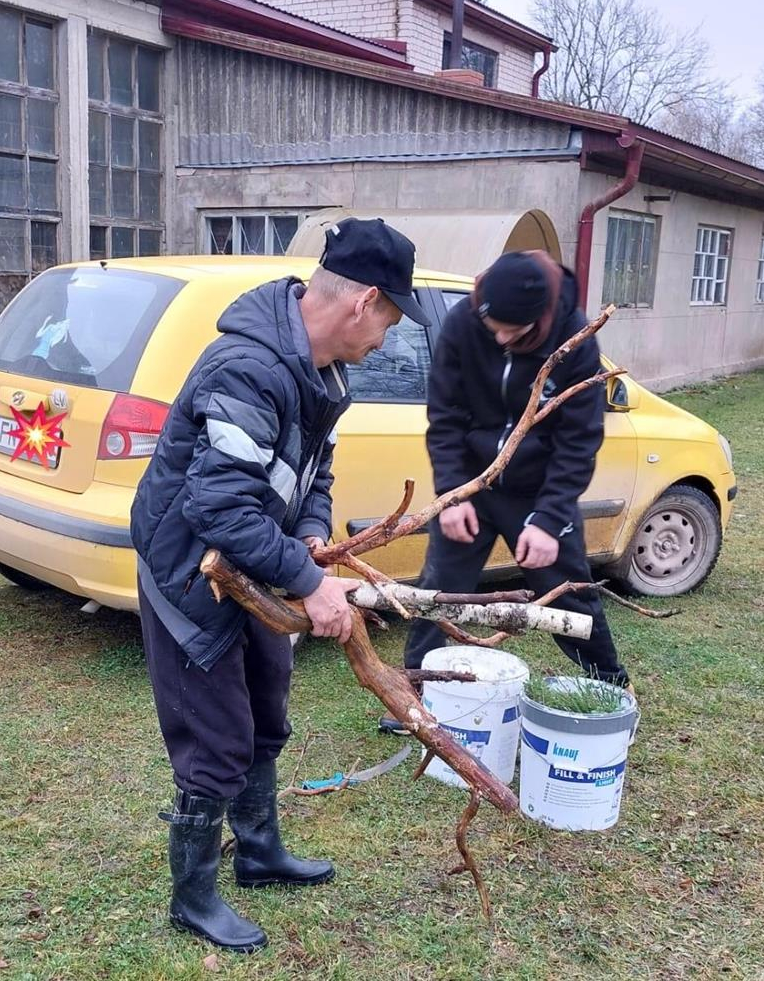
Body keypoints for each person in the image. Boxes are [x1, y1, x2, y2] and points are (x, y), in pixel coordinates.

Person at [130, 217, 429, 953]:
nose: (386, 338)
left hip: (253, 565)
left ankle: (259, 854)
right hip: (191, 574)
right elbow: (218, 504)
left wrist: (307, 536)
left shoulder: (321, 373)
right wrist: (309, 583)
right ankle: (192, 898)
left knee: (266, 712)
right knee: (216, 741)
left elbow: (314, 470)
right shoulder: (249, 368)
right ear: (363, 301)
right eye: (390, 318)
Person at [386, 250, 631, 731]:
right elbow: (445, 416)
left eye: (511, 332)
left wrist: (548, 516)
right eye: (493, 327)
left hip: (538, 493)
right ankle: (416, 694)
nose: (499, 338)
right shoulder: (464, 323)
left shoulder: (575, 341)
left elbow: (578, 440)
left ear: (538, 319)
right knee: (439, 591)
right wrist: (453, 494)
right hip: (472, 485)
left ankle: (610, 687)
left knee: (569, 595)